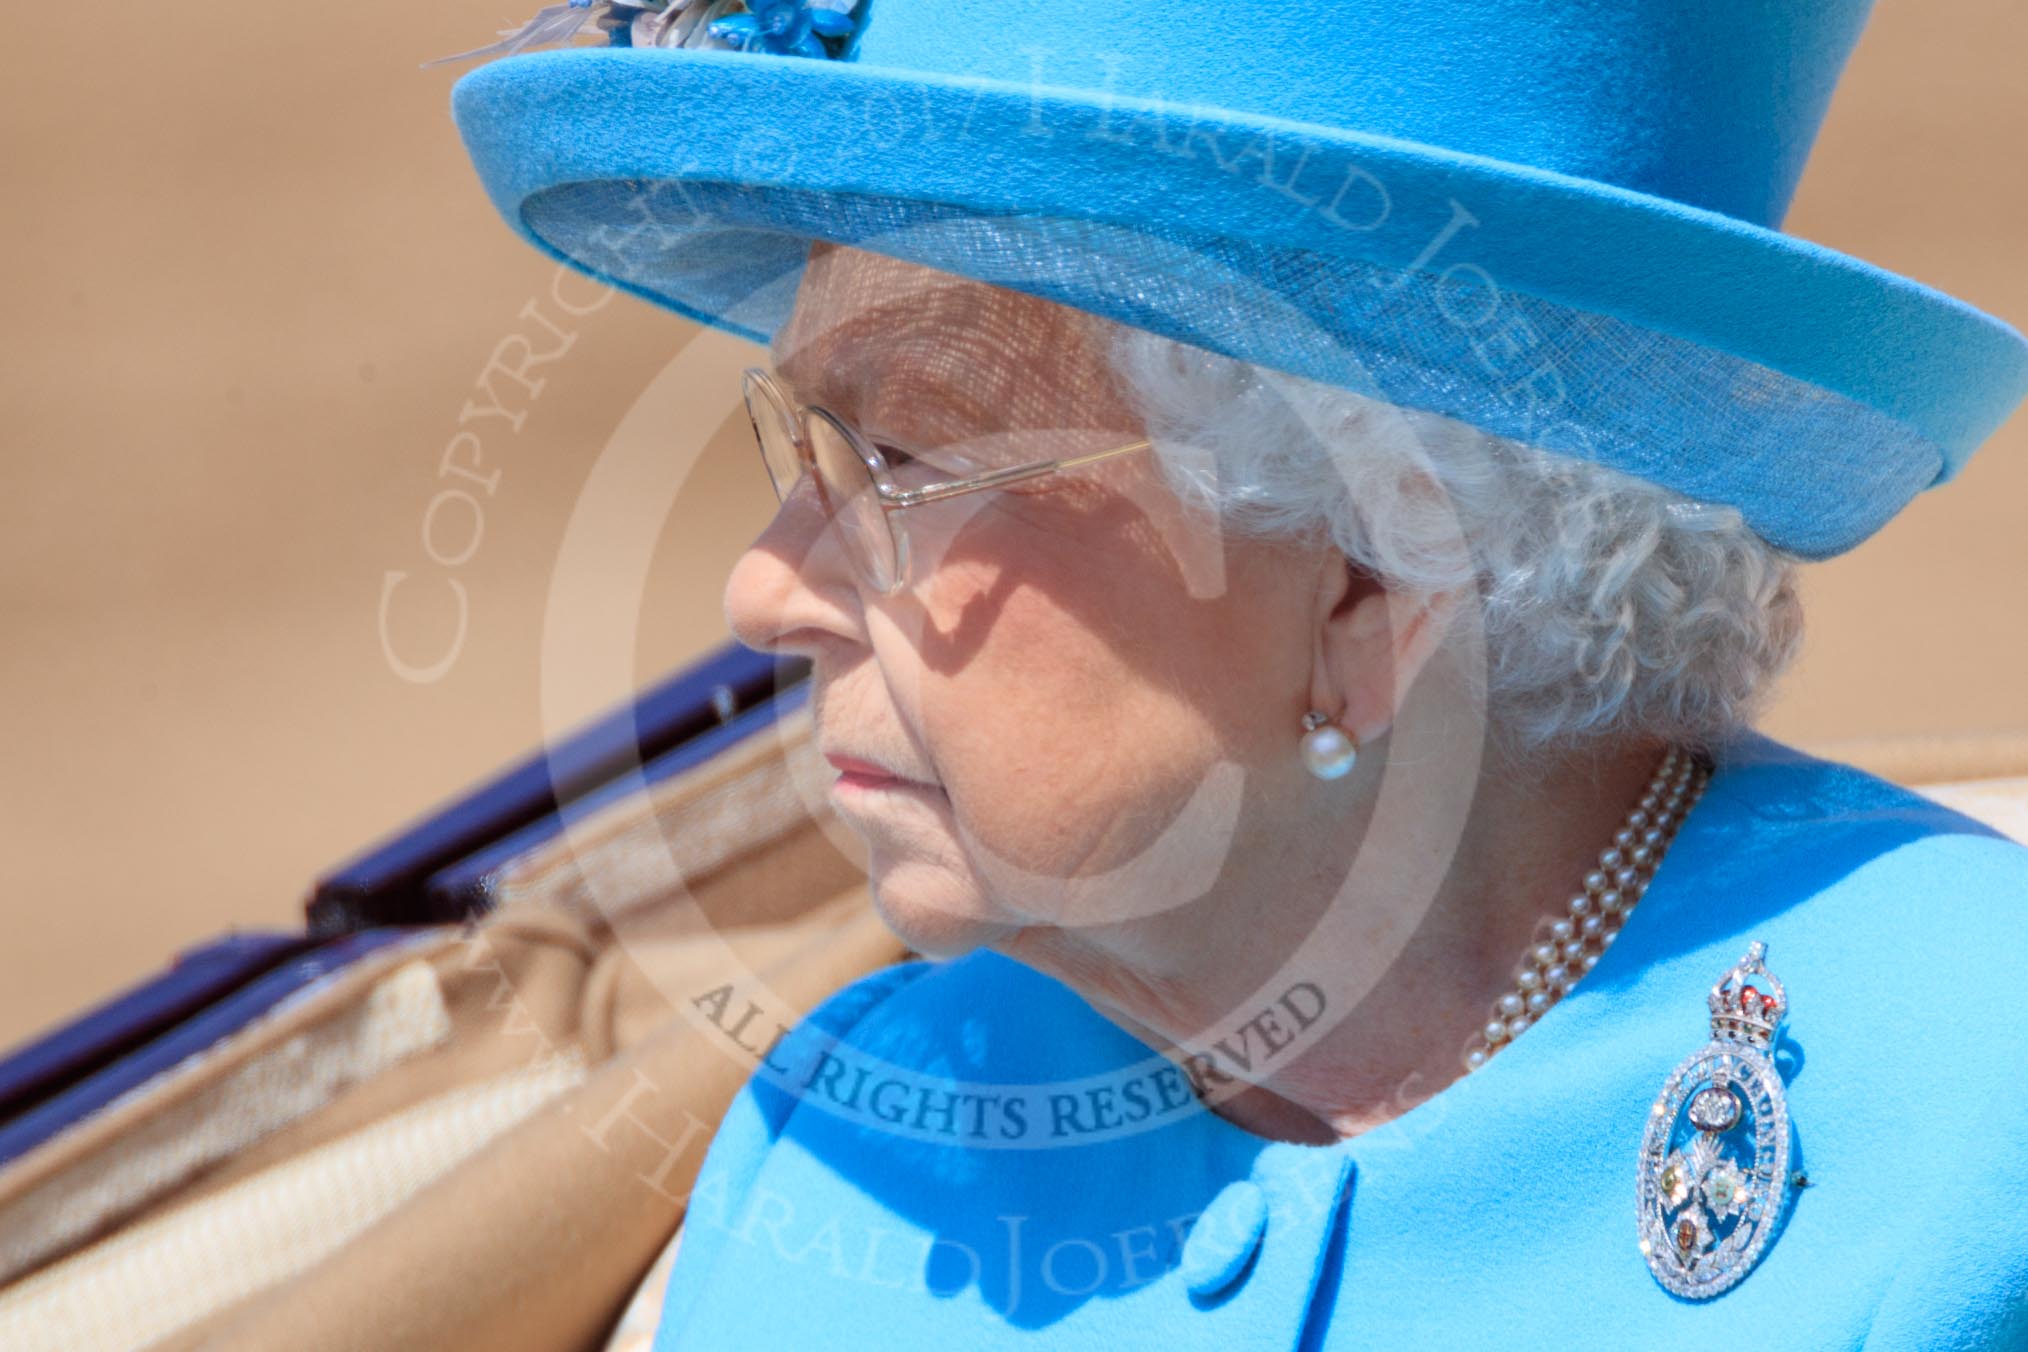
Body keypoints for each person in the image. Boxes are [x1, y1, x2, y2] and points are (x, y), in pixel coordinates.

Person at [441, 0, 2028, 1345]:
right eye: (805, 448)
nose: (765, 585)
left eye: (909, 454)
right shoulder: (846, 1158)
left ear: (1370, 584)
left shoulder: (1969, 1115)